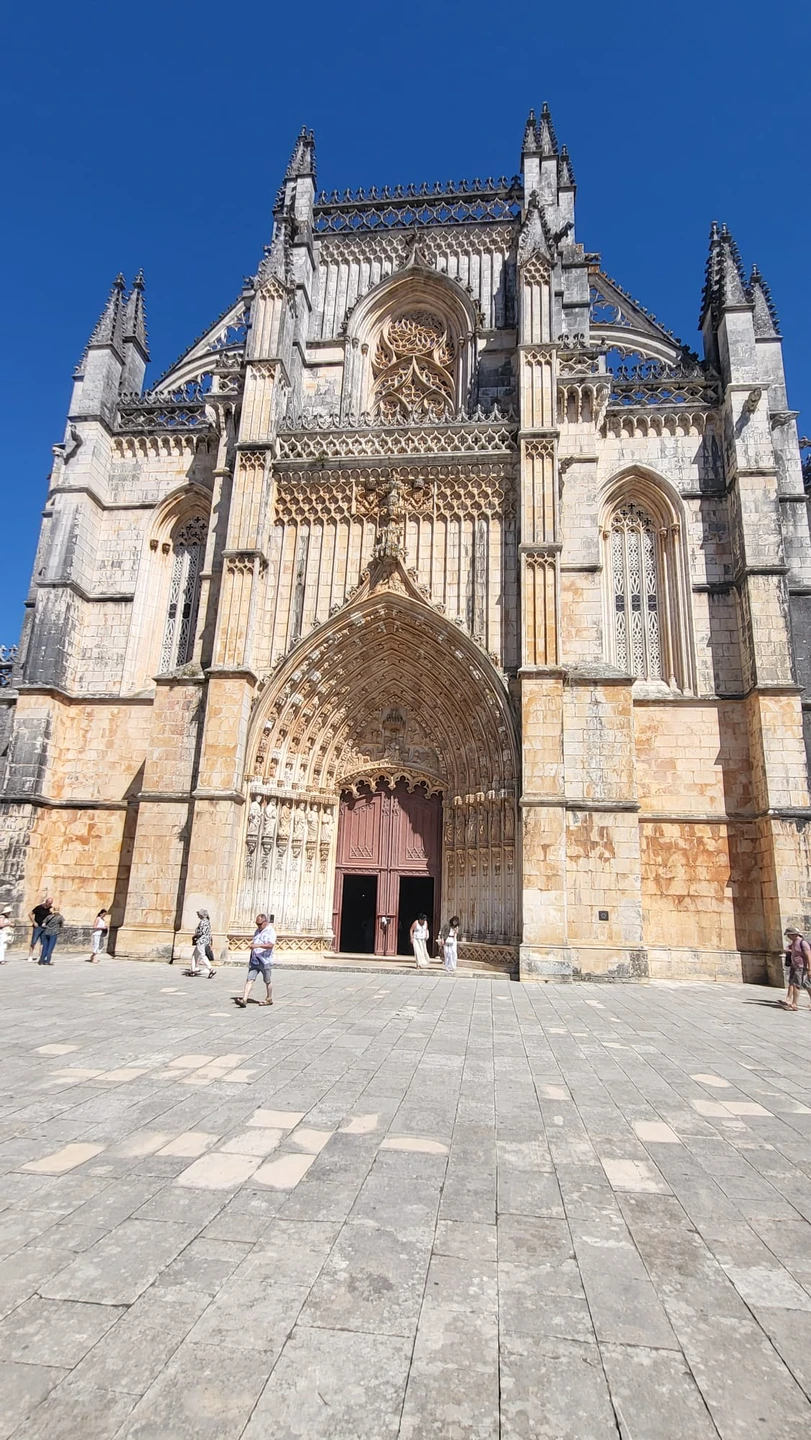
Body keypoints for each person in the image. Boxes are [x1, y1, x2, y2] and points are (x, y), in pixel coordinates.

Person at [236, 912, 276, 1007]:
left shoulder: (271, 931)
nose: (258, 926)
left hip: (265, 960)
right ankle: (244, 999)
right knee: (249, 979)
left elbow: (270, 945)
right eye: (257, 924)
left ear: (265, 922)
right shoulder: (257, 931)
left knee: (267, 981)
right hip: (255, 960)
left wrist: (257, 946)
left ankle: (269, 998)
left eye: (260, 924)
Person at [783, 926, 811, 1011]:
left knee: (796, 985)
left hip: (801, 967)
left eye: (789, 935)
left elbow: (809, 956)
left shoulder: (803, 943)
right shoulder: (794, 943)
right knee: (807, 985)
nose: (788, 937)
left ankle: (794, 1004)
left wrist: (809, 969)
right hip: (795, 966)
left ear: (794, 934)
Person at [189, 910, 215, 977]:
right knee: (194, 955)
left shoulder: (202, 922)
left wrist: (196, 934)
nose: (198, 916)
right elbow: (209, 933)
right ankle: (193, 970)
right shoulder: (208, 922)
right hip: (205, 940)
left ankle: (211, 969)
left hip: (201, 940)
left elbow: (201, 932)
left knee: (202, 955)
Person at [28, 896, 52, 962]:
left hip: (45, 927)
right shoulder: (39, 908)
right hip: (37, 926)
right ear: (46, 902)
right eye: (49, 903)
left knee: (43, 942)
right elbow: (30, 914)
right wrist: (34, 922)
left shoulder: (50, 909)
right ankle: (30, 956)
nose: (50, 905)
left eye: (51, 903)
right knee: (33, 941)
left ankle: (39, 956)